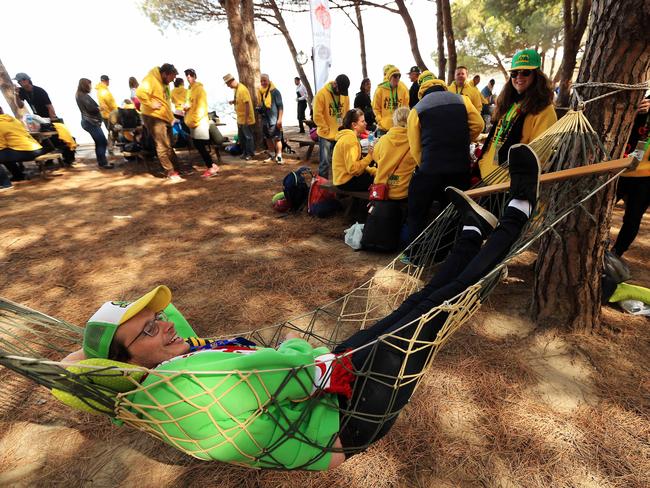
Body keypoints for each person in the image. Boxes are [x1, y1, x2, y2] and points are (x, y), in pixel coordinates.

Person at [71, 144, 540, 470]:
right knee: (438, 311)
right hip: (341, 417)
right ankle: (519, 209)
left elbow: (76, 371)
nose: (165, 326)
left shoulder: (161, 368)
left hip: (330, 380)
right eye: (150, 330)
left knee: (424, 301)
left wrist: (105, 349)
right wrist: (305, 358)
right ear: (124, 361)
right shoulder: (181, 382)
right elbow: (276, 375)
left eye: (157, 318)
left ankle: (472, 234)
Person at [406, 71, 484, 249]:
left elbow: (416, 148)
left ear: (421, 91)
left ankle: (414, 252)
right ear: (441, 85)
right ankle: (449, 250)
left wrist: (425, 166)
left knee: (417, 211)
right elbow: (479, 125)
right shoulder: (462, 100)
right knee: (454, 211)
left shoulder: (417, 110)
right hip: (460, 167)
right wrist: (462, 140)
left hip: (431, 169)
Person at [477, 49, 556, 179]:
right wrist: (481, 162)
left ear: (536, 75)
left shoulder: (544, 110)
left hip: (509, 185)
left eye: (525, 72)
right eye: (514, 73)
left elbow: (540, 156)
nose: (519, 77)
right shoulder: (507, 102)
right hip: (485, 176)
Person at [612, 96, 650, 257]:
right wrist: (632, 112)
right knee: (596, 208)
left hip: (646, 175)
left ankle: (615, 254)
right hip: (620, 167)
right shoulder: (643, 100)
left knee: (632, 218)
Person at [137, 63, 184, 182]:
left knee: (169, 144)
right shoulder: (151, 79)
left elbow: (165, 102)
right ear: (164, 74)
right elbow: (140, 93)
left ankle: (175, 169)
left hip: (164, 117)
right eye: (172, 77)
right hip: (153, 117)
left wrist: (171, 118)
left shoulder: (164, 83)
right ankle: (170, 172)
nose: (173, 80)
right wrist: (150, 103)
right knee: (162, 145)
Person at [372, 107, 417, 201]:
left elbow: (375, 158)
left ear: (394, 120)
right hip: (404, 191)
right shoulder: (414, 141)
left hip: (384, 189)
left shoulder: (384, 139)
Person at [184, 69, 220, 178]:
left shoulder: (199, 89)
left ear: (195, 76)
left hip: (199, 121)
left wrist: (194, 120)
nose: (188, 77)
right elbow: (191, 103)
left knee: (200, 145)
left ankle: (211, 167)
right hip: (193, 121)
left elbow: (201, 107)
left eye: (190, 75)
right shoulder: (190, 90)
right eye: (187, 76)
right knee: (198, 145)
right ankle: (212, 165)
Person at [313, 74, 350, 178]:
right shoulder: (321, 94)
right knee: (325, 164)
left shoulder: (344, 95)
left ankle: (338, 186)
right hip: (326, 135)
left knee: (339, 163)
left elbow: (347, 113)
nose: (341, 93)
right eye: (340, 90)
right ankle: (323, 190)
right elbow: (317, 115)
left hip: (340, 134)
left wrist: (345, 128)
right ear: (335, 84)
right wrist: (326, 129)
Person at [331, 108, 375, 191]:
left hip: (343, 178)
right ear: (354, 125)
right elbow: (353, 169)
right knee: (379, 182)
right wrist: (370, 156)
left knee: (374, 175)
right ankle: (360, 204)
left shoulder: (349, 137)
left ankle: (357, 203)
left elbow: (357, 162)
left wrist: (372, 171)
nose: (365, 123)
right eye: (362, 121)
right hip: (345, 181)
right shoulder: (350, 140)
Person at [0, 106, 43, 189]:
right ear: (1, 110)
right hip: (37, 148)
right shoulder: (12, 119)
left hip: (27, 152)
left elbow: (2, 146)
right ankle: (18, 175)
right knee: (4, 154)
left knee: (2, 153)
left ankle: (5, 183)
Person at [76, 78, 113, 169]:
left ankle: (102, 162)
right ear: (85, 85)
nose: (91, 87)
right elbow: (91, 108)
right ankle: (103, 163)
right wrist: (100, 108)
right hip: (90, 122)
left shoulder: (80, 95)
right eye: (89, 85)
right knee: (102, 141)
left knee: (99, 142)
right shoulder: (83, 96)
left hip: (88, 122)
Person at [224, 73, 255, 161]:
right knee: (242, 137)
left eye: (228, 84)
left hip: (246, 118)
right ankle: (245, 152)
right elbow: (239, 100)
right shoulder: (236, 89)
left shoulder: (242, 89)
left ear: (231, 81)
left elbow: (247, 104)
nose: (228, 86)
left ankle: (250, 153)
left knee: (248, 137)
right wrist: (233, 101)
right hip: (240, 118)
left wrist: (246, 119)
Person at [372, 66, 409, 135]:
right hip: (383, 128)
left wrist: (404, 123)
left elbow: (405, 108)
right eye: (395, 76)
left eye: (399, 76)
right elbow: (376, 108)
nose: (397, 78)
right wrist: (380, 121)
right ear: (389, 77)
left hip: (398, 128)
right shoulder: (380, 90)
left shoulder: (403, 90)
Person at [257, 74, 284, 165]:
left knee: (277, 138)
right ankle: (272, 155)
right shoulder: (261, 92)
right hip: (265, 120)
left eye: (265, 80)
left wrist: (279, 119)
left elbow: (280, 106)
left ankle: (279, 155)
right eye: (261, 81)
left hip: (274, 119)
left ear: (269, 80)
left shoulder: (275, 92)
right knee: (267, 138)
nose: (263, 83)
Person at [95, 75, 118, 153]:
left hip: (104, 114)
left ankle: (111, 147)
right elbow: (111, 104)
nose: (109, 82)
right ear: (106, 81)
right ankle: (110, 147)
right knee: (114, 130)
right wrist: (118, 111)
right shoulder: (104, 91)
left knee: (112, 131)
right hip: (109, 115)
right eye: (108, 80)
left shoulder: (99, 90)